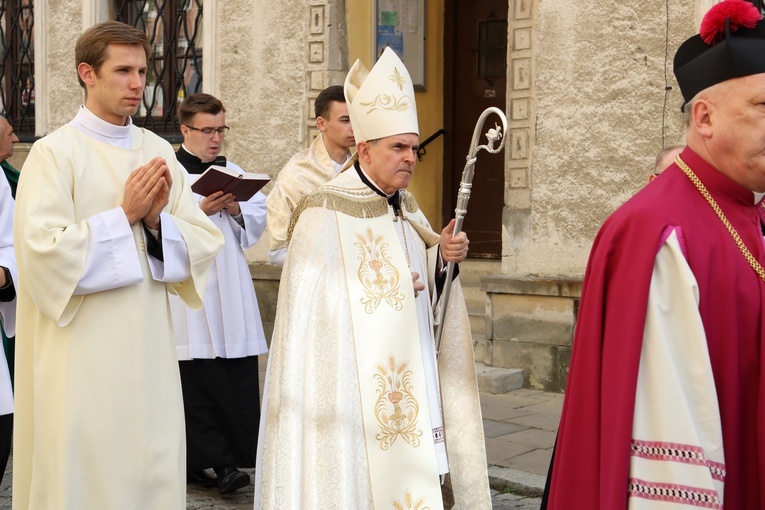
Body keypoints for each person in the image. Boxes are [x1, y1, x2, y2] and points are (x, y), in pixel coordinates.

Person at [542, 1, 765, 508]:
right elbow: (668, 439)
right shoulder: (658, 233)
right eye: (763, 107)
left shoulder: (751, 212)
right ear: (704, 118)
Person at [254, 47, 490, 510]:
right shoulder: (323, 209)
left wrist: (441, 257)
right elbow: (317, 312)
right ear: (364, 149)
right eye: (397, 148)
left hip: (404, 380)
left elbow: (421, 277)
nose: (410, 159)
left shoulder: (403, 203)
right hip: (349, 394)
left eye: (413, 149)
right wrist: (396, 292)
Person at [12, 21, 224, 509]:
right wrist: (125, 216)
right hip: (79, 359)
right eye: (123, 70)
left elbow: (202, 242)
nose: (137, 84)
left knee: (147, 467)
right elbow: (42, 256)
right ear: (87, 73)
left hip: (148, 355)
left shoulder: (155, 151)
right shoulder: (53, 155)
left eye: (142, 71)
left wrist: (155, 226)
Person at [170, 93, 268, 494]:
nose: (216, 139)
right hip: (190, 288)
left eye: (220, 129)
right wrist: (201, 210)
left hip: (229, 283)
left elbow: (257, 223)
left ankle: (235, 460)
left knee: (237, 374)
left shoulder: (234, 170)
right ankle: (209, 462)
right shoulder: (170, 171)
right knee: (197, 377)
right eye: (207, 130)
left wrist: (235, 210)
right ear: (185, 130)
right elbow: (156, 224)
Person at [265, 85, 355, 265]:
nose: (353, 127)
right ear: (321, 123)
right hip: (314, 277)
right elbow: (277, 250)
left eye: (356, 119)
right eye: (345, 120)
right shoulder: (297, 173)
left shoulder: (365, 168)